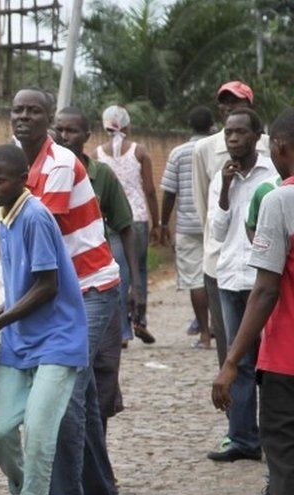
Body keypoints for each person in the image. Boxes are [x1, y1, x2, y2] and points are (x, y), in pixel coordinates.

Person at [10, 88, 121, 495]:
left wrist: (5, 309)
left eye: (34, 111)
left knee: (64, 392)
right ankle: (97, 491)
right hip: (61, 288)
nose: (24, 117)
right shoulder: (17, 166)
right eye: (17, 110)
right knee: (86, 396)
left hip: (90, 287)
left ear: (49, 121)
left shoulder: (55, 166)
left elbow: (41, 240)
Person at [0, 144, 87, 495]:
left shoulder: (35, 216)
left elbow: (46, 285)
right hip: (19, 343)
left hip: (57, 340)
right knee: (2, 432)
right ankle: (21, 493)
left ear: (23, 179)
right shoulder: (3, 216)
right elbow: (16, 283)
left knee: (38, 437)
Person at [212, 106, 294, 495]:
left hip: (286, 361)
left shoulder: (281, 199)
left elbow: (265, 290)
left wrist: (229, 362)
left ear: (278, 147)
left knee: (284, 461)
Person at [54, 106, 140, 432]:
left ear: (87, 136)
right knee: (72, 371)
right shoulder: (42, 174)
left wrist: (134, 284)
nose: (64, 136)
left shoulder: (101, 176)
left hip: (97, 283)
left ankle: (97, 456)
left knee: (102, 368)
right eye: (59, 130)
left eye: (71, 131)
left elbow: (125, 226)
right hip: (59, 286)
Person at [207, 108, 277, 463]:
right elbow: (217, 232)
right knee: (237, 359)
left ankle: (277, 436)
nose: (233, 138)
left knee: (273, 364)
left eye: (240, 132)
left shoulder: (274, 173)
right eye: (228, 133)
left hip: (264, 280)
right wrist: (224, 189)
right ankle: (242, 438)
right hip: (230, 278)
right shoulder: (223, 178)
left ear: (257, 136)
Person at [192, 81, 271, 385]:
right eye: (225, 102)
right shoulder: (205, 149)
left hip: (259, 265)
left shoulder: (269, 153)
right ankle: (237, 425)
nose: (230, 107)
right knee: (230, 348)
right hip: (220, 260)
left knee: (264, 349)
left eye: (238, 102)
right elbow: (204, 205)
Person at [93, 105, 159, 344]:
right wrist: (158, 222)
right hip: (137, 217)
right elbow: (150, 190)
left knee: (118, 272)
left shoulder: (97, 154)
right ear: (128, 126)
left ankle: (122, 329)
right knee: (138, 269)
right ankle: (140, 320)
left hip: (109, 219)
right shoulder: (139, 151)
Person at [160, 106, 216, 349]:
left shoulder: (178, 153)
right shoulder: (218, 148)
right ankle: (219, 328)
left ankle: (204, 335)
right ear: (211, 125)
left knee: (195, 280)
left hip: (187, 224)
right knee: (217, 276)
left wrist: (163, 223)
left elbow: (169, 192)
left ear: (190, 126)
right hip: (215, 222)